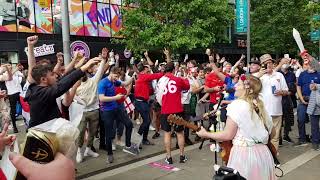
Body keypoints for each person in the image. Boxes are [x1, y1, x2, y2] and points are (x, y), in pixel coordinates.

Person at [196, 74, 276, 180]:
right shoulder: (259, 105)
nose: (235, 86)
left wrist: (205, 134)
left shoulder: (237, 105)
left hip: (245, 156)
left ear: (248, 90)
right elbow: (273, 133)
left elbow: (228, 135)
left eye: (239, 84)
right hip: (264, 155)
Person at [25, 57, 100, 128]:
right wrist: (84, 68)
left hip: (48, 131)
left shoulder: (39, 88)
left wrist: (78, 67)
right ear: (43, 79)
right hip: (41, 135)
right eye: (52, 75)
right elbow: (62, 85)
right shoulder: (39, 94)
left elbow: (63, 79)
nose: (56, 76)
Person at [98, 67, 138, 163]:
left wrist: (132, 78)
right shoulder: (103, 83)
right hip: (107, 111)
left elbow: (125, 84)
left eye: (117, 77)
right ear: (111, 73)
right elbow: (101, 98)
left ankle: (128, 145)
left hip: (116, 108)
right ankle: (110, 154)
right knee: (109, 133)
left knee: (129, 124)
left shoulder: (115, 81)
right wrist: (115, 97)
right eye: (115, 76)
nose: (116, 79)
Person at [159, 62, 190, 164]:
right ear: (173, 70)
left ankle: (169, 157)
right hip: (177, 109)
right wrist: (184, 77)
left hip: (165, 109)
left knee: (167, 134)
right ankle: (182, 156)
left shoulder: (161, 80)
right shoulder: (177, 79)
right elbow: (187, 87)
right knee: (180, 133)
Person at [259, 54, 288, 153]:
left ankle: (274, 156)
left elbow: (286, 91)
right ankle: (264, 156)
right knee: (263, 135)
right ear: (262, 65)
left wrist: (281, 92)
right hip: (263, 112)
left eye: (270, 62)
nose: (269, 65)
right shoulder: (259, 77)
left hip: (276, 111)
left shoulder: (279, 75)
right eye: (266, 63)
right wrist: (261, 74)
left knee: (275, 137)